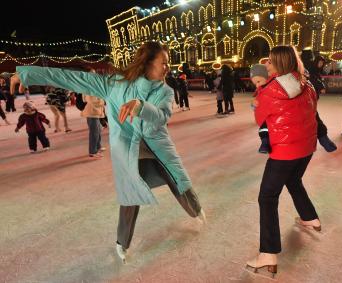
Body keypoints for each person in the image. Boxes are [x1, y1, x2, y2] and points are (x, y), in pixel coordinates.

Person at [11, 42, 205, 264]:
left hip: (158, 149)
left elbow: (161, 117)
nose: (167, 67)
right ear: (148, 63)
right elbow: (71, 78)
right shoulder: (114, 85)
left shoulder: (164, 91)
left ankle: (196, 209)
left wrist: (140, 106)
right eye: (164, 62)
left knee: (178, 181)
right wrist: (26, 73)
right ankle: (122, 242)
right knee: (130, 196)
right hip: (129, 151)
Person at [246, 46, 321, 276]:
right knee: (294, 180)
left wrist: (257, 99)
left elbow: (260, 119)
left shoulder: (269, 90)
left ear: (278, 63)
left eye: (269, 62)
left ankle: (268, 253)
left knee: (267, 197)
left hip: (285, 152)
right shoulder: (307, 85)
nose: (266, 65)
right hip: (306, 147)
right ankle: (310, 218)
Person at [307, 56, 337, 152]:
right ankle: (324, 140)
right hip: (306, 99)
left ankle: (324, 139)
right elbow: (312, 79)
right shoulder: (310, 70)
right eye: (319, 62)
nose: (320, 65)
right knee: (313, 118)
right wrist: (321, 86)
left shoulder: (317, 72)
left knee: (314, 118)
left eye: (322, 63)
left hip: (311, 99)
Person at [250, 64, 270, 153]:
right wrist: (253, 104)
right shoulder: (259, 90)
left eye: (259, 81)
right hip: (262, 115)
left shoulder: (271, 88)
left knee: (265, 130)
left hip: (270, 115)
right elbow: (255, 103)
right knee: (263, 130)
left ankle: (265, 143)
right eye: (255, 83)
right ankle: (265, 142)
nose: (257, 85)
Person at [81, 92, 106, 158]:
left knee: (98, 130)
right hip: (91, 113)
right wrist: (104, 101)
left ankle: (98, 146)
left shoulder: (92, 89)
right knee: (94, 133)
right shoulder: (89, 90)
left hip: (95, 113)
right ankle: (92, 151)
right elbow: (93, 101)